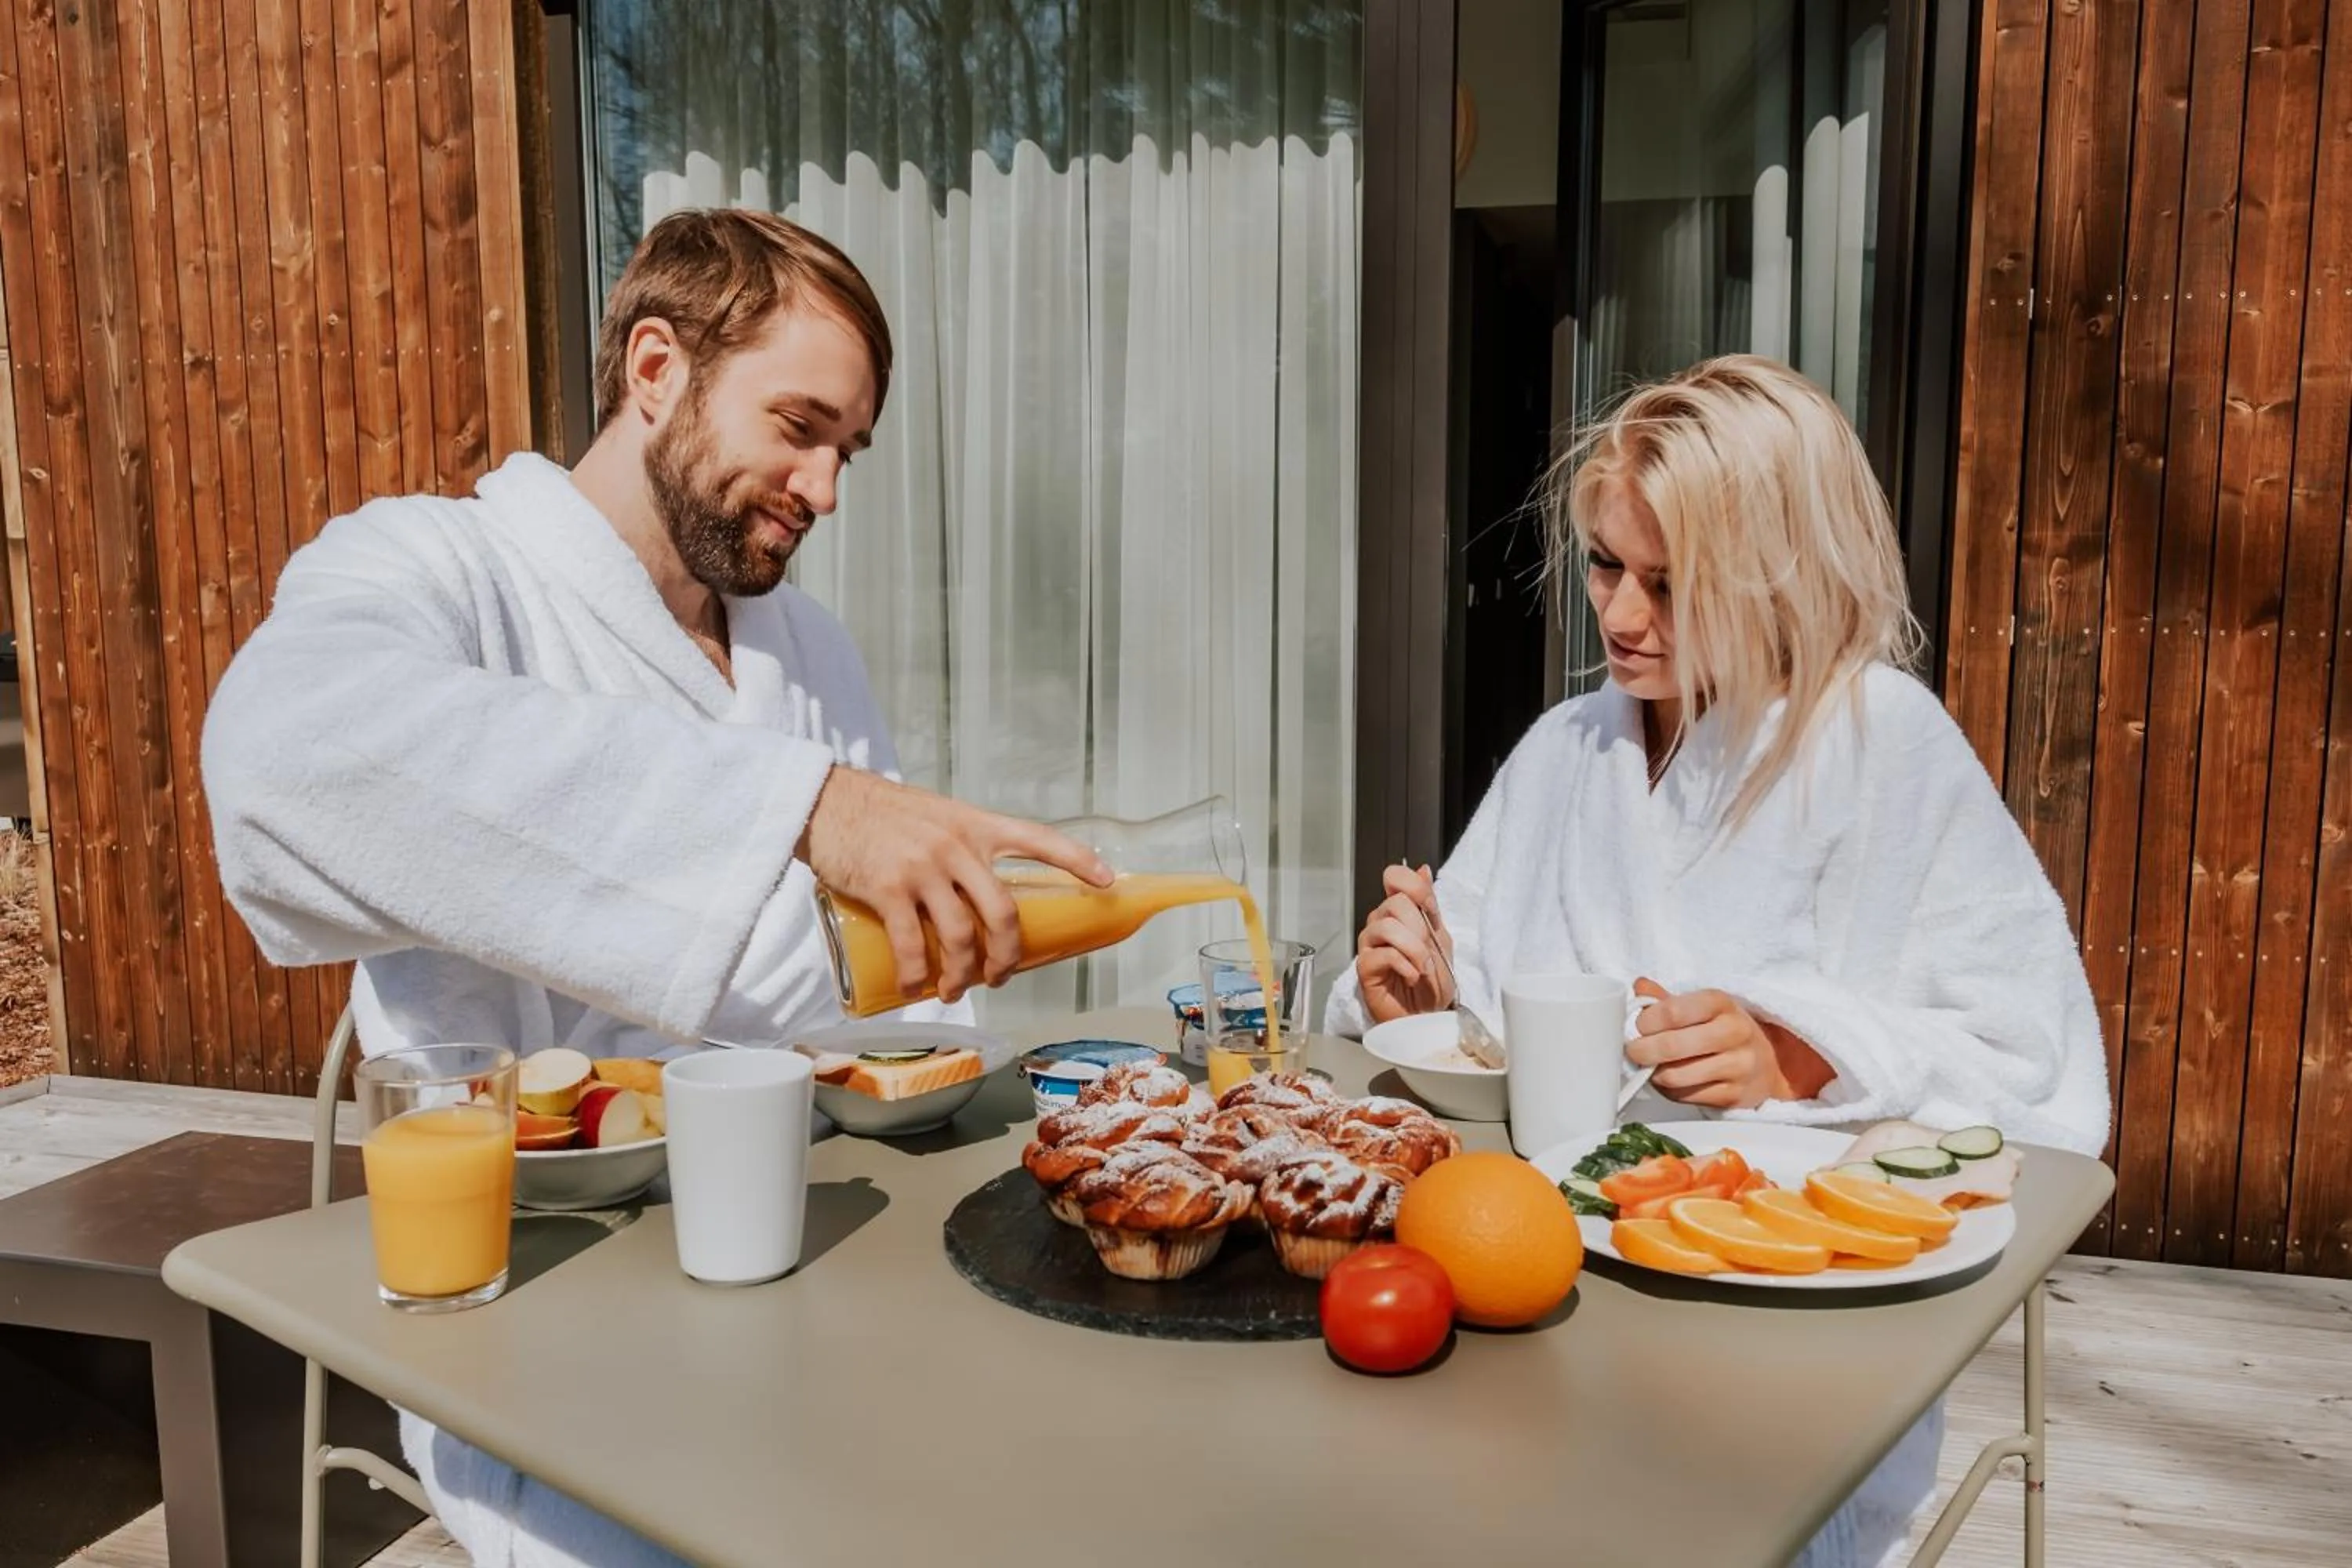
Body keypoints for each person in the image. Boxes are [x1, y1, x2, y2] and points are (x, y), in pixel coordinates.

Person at [202, 208, 1107, 1566]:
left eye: (848, 451)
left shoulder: (807, 646)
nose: (826, 488)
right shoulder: (439, 570)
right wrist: (806, 807)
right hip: (542, 1303)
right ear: (655, 368)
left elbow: (871, 1016)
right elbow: (279, 761)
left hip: (828, 1236)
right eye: (799, 426)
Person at [1324, 354, 2111, 1567]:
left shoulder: (1883, 744)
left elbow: (2038, 1064)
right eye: (1605, 565)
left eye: (1672, 584)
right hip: (1529, 1286)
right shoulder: (1567, 749)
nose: (1621, 618)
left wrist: (1800, 1056)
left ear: (1781, 574)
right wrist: (1421, 995)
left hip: (1778, 1325)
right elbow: (1485, 1006)